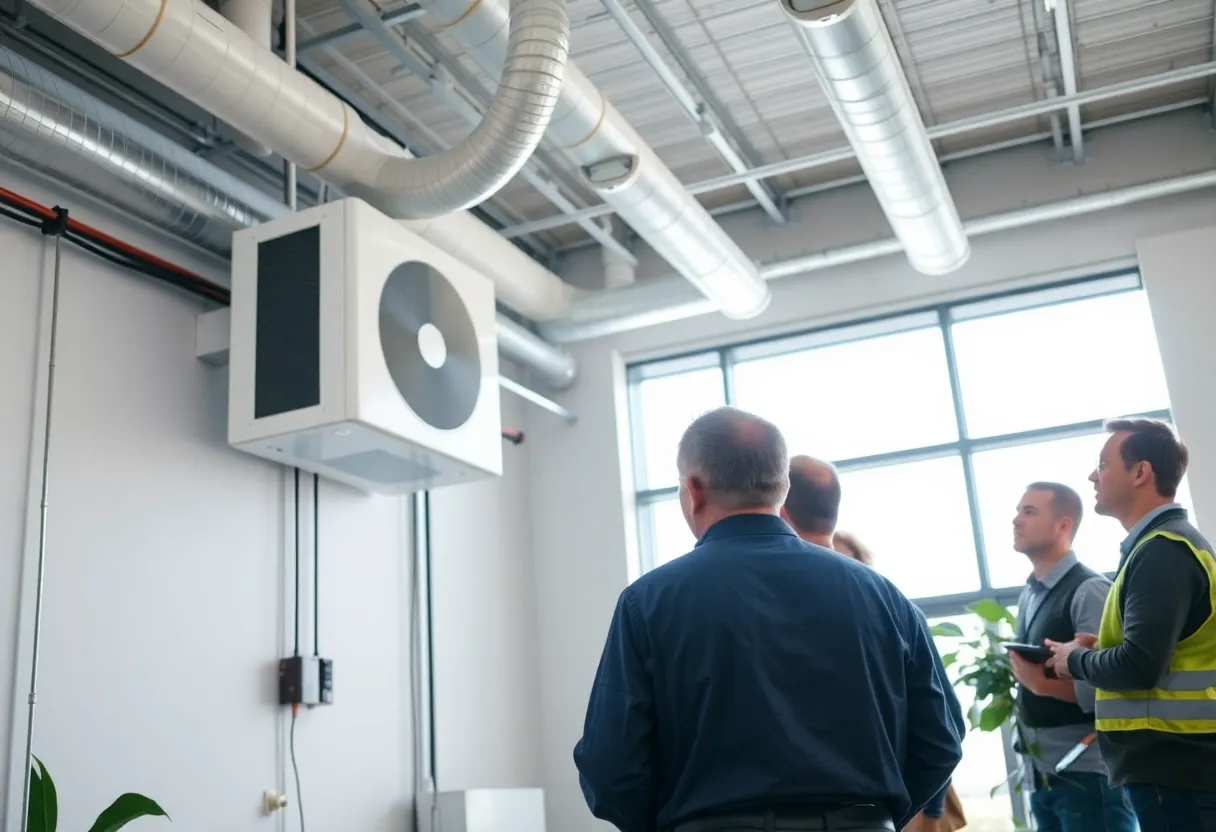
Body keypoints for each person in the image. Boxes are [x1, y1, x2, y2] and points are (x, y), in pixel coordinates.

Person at [573, 407, 965, 832]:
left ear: (693, 489)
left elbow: (611, 766)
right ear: (782, 486)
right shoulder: (883, 596)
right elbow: (940, 742)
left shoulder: (648, 602)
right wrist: (873, 817)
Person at [1046, 418, 1216, 832]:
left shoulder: (1162, 551)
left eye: (1103, 464)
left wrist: (1076, 659)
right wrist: (1097, 649)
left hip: (1175, 770)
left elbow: (1139, 666)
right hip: (1176, 769)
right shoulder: (1160, 546)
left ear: (1141, 472)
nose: (1092, 475)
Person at [780, 454, 965, 832]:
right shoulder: (892, 604)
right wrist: (887, 814)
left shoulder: (756, 606)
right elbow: (946, 732)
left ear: (779, 506)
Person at [1006, 483, 1135, 832]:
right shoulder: (1029, 595)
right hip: (1047, 773)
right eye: (1018, 511)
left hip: (1089, 774)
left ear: (1064, 525)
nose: (1016, 520)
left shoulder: (1089, 590)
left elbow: (1113, 686)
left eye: (1029, 511)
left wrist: (1040, 685)